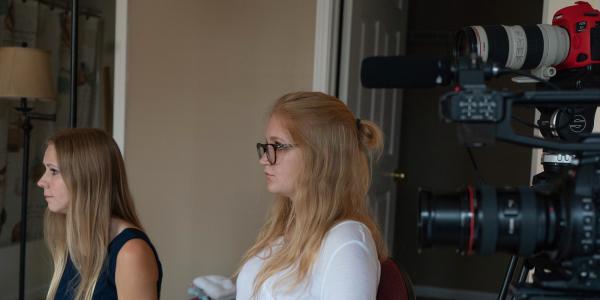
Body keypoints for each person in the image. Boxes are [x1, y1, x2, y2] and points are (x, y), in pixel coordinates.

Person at [236, 92, 388, 299]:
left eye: (278, 146)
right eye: (266, 145)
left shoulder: (347, 243)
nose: (264, 159)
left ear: (321, 156)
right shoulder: (284, 228)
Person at [37, 128, 162, 300]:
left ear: (86, 177)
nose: (41, 181)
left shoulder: (131, 253)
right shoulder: (76, 241)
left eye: (53, 171)